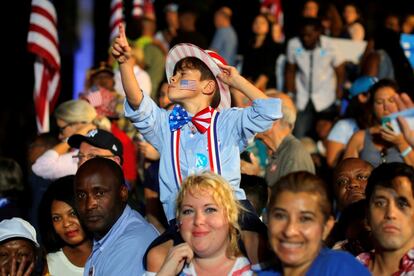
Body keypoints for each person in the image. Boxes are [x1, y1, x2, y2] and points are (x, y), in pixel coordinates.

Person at [112, 23, 281, 265]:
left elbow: (269, 111)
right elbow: (138, 102)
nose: (173, 78)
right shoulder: (166, 124)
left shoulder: (227, 121)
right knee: (155, 258)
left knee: (259, 246)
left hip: (231, 215)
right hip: (183, 220)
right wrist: (125, 64)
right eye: (173, 74)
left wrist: (237, 81)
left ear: (208, 86)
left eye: (183, 75)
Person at [258, 171, 370, 275]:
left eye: (305, 219)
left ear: (327, 227)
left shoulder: (341, 269)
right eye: (280, 216)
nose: (290, 231)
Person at [153, 172, 252, 275]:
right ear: (178, 222)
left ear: (231, 216)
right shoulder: (168, 268)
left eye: (210, 210)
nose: (198, 221)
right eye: (188, 211)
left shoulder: (252, 272)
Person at [74, 158, 158, 275]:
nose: (89, 205)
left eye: (99, 193)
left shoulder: (132, 243)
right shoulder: (108, 234)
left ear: (123, 193)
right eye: (82, 195)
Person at [285, 17, 345, 139]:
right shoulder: (293, 44)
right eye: (303, 35)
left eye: (309, 35)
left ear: (318, 32)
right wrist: (290, 95)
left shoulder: (330, 45)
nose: (305, 38)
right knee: (298, 136)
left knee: (324, 137)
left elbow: (341, 73)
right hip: (302, 99)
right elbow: (290, 70)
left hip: (325, 100)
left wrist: (339, 99)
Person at [357, 162, 414, 275]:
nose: (390, 214)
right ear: (367, 214)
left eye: (402, 204)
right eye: (380, 203)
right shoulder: (345, 269)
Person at [344, 79, 414, 167]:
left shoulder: (410, 133)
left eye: (391, 100)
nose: (386, 107)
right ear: (372, 107)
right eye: (379, 102)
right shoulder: (359, 137)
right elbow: (347, 172)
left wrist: (401, 143)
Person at [256, 92, 315, 187]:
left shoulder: (294, 154)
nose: (251, 119)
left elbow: (291, 198)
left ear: (273, 120)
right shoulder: (277, 151)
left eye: (258, 113)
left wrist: (257, 177)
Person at [38, 175, 91, 276]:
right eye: (57, 218)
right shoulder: (51, 263)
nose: (66, 224)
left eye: (72, 213)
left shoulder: (114, 250)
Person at [31, 100, 97, 180]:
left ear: (77, 124)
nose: (60, 136)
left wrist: (71, 139)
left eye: (62, 129)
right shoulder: (97, 144)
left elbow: (39, 167)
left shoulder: (83, 153)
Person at [326, 76, 377, 167]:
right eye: (376, 93)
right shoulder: (344, 126)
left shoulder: (388, 122)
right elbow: (332, 164)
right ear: (362, 97)